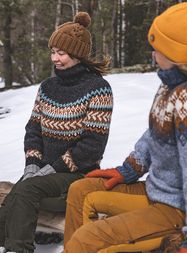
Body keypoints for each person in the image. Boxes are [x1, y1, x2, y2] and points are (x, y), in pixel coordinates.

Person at [61, 2, 187, 253]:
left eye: (157, 47)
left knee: (88, 240)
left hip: (182, 210)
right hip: (159, 192)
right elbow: (155, 133)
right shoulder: (175, 82)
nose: (152, 53)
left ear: (175, 53)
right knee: (80, 191)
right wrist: (130, 169)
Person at [0, 11, 113, 253]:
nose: (55, 58)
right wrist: (32, 163)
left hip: (78, 176)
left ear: (77, 54)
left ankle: (17, 249)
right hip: (42, 173)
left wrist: (51, 169)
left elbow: (91, 147)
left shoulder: (98, 90)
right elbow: (33, 129)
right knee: (14, 197)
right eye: (53, 52)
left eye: (61, 53)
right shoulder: (47, 87)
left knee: (27, 190)